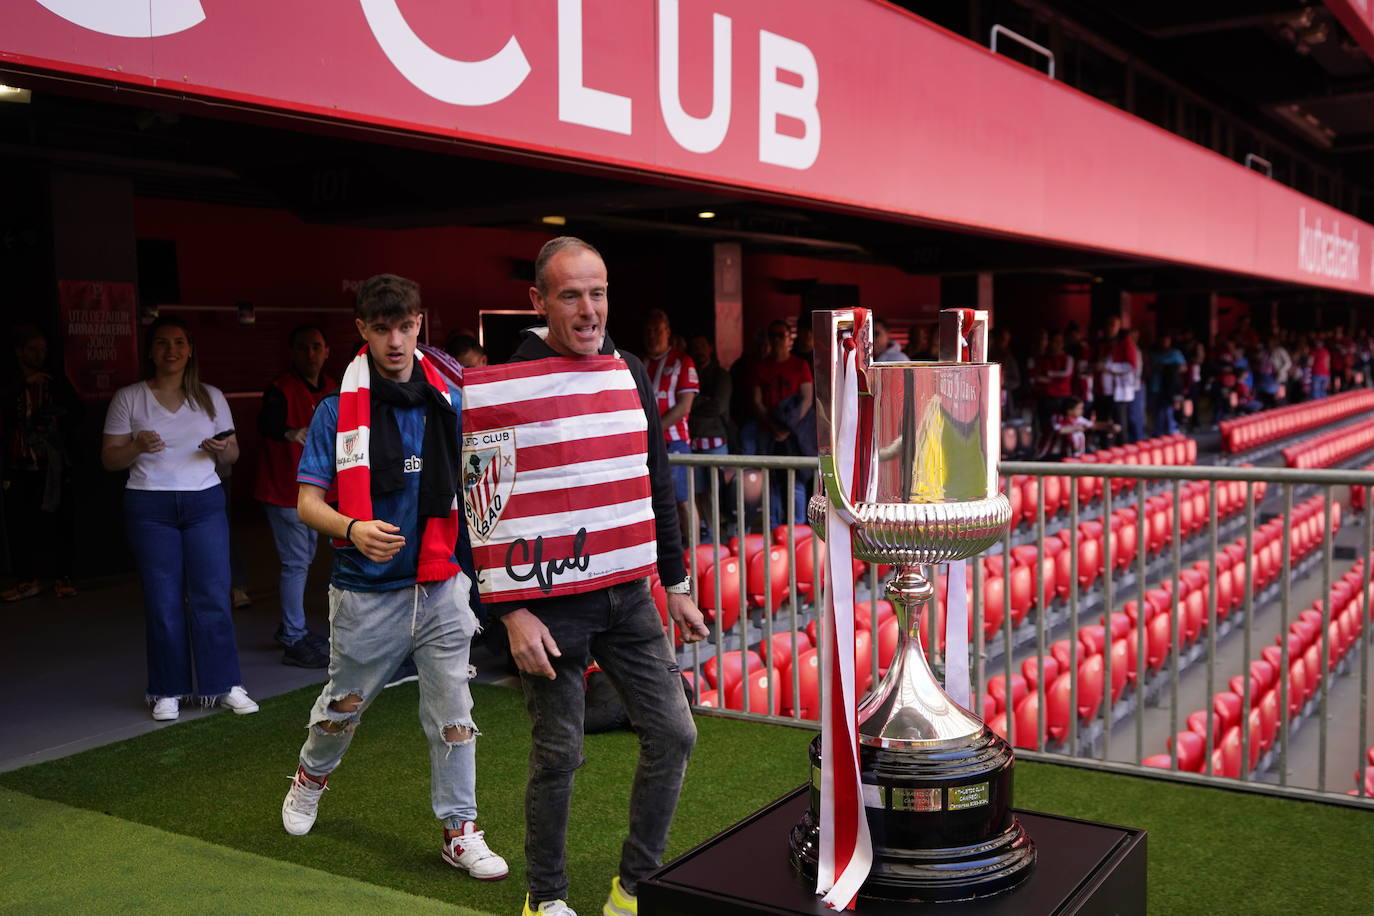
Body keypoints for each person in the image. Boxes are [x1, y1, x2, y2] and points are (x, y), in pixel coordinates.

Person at [492, 236, 709, 916]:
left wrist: (673, 584)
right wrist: (508, 611)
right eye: (570, 295)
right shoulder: (510, 380)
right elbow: (479, 502)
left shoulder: (631, 370)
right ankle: (545, 898)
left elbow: (655, 474)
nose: (589, 310)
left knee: (674, 733)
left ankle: (635, 888)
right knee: (559, 754)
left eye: (599, 293)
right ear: (538, 301)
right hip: (548, 605)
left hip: (627, 595)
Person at [278, 275, 507, 882]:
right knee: (341, 709)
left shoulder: (450, 399)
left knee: (454, 713)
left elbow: (490, 472)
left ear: (419, 323)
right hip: (364, 591)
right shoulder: (335, 409)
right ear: (362, 331)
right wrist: (352, 528)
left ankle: (460, 830)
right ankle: (310, 777)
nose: (396, 340)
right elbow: (306, 503)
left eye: (405, 326)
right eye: (382, 328)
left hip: (441, 584)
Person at [100, 317, 258, 721]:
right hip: (149, 507)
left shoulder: (211, 396)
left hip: (204, 501)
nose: (171, 350)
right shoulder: (129, 398)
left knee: (212, 594)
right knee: (163, 599)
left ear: (190, 351)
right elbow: (109, 459)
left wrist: (219, 449)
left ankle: (223, 685)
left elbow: (233, 453)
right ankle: (167, 690)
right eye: (162, 343)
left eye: (179, 343)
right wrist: (135, 445)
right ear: (150, 352)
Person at [254, 324, 335, 668]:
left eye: (316, 346)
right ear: (292, 352)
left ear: (327, 351)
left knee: (305, 560)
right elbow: (266, 424)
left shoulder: (332, 387)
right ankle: (293, 636)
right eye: (303, 348)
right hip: (284, 491)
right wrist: (290, 432)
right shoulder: (280, 389)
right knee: (297, 564)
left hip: (319, 493)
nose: (311, 354)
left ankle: (291, 627)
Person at [2, 324, 82, 601]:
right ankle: (26, 579)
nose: (38, 355)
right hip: (18, 463)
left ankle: (64, 577)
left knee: (60, 521)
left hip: (53, 465)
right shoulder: (10, 382)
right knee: (19, 524)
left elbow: (75, 413)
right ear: (19, 351)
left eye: (42, 351)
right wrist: (24, 386)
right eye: (33, 350)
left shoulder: (54, 380)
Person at [641, 309, 698, 541]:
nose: (652, 336)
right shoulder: (638, 363)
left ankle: (693, 555)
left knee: (683, 499)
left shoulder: (682, 361)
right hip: (646, 446)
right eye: (648, 331)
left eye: (657, 330)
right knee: (652, 502)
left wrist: (652, 431)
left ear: (667, 332)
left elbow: (684, 407)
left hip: (675, 443)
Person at [750, 319, 814, 523]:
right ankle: (774, 530)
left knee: (796, 480)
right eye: (773, 335)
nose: (777, 339)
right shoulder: (760, 367)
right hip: (768, 430)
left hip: (795, 433)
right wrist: (774, 427)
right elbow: (756, 401)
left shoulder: (800, 364)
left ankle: (798, 531)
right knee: (771, 481)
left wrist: (789, 427)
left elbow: (807, 398)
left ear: (789, 339)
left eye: (781, 335)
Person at [686, 334, 733, 537]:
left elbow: (718, 406)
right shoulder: (688, 374)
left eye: (702, 346)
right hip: (694, 441)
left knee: (716, 492)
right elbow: (681, 405)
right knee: (698, 491)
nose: (699, 352)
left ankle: (717, 535)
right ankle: (705, 531)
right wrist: (693, 403)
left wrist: (691, 403)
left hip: (716, 441)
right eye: (695, 347)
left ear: (710, 349)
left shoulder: (721, 375)